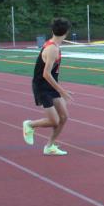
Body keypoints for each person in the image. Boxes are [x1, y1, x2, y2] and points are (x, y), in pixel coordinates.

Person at [22, 18, 73, 156]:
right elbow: (46, 74)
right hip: (42, 86)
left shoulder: (54, 45)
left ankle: (49, 146)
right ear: (67, 32)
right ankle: (30, 125)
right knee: (54, 121)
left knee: (63, 117)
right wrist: (62, 91)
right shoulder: (52, 49)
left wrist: (59, 89)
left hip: (50, 85)